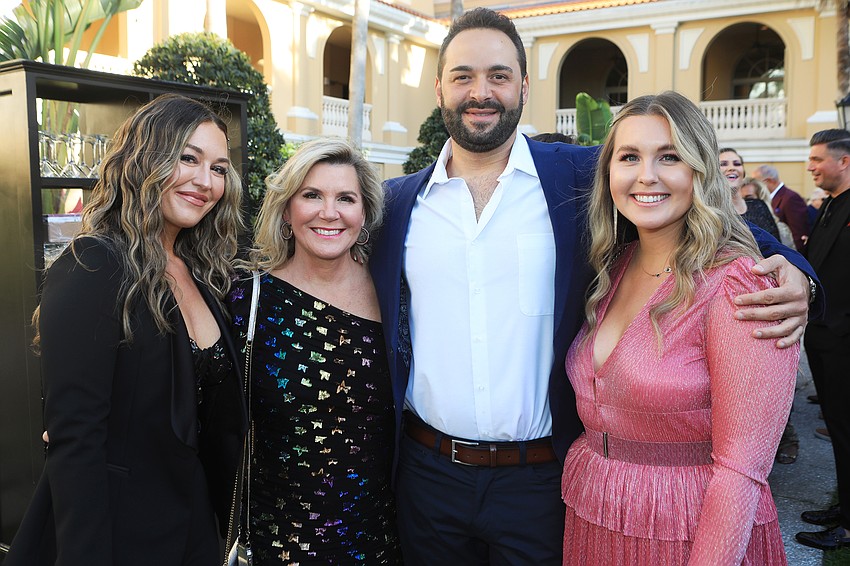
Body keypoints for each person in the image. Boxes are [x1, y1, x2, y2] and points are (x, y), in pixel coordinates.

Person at [369, 7, 820, 564]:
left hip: (540, 479)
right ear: (439, 87)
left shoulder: (580, 176)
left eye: (499, 76)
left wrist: (799, 273)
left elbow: (695, 209)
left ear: (524, 86)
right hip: (426, 476)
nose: (480, 92)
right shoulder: (394, 205)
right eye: (463, 76)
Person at [5, 94, 247, 566]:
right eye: (188, 158)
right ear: (144, 160)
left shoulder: (203, 271)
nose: (206, 181)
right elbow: (75, 441)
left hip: (193, 529)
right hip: (117, 534)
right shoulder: (94, 265)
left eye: (219, 168)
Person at [561, 91, 799, 564]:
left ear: (700, 169)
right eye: (629, 157)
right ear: (609, 172)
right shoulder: (613, 267)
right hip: (594, 515)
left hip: (691, 528)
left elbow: (741, 470)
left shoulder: (738, 285)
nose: (646, 175)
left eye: (669, 156)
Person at [227, 138, 402, 564]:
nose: (329, 212)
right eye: (312, 196)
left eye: (346, 198)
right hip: (279, 542)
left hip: (380, 540)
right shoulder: (246, 303)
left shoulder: (397, 297)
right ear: (287, 210)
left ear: (364, 214)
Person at [795, 129, 850, 551]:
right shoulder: (831, 205)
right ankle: (844, 507)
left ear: (844, 160)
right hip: (825, 340)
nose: (810, 166)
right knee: (837, 426)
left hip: (843, 340)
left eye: (817, 159)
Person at [719, 148, 780, 240]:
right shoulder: (710, 210)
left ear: (743, 172)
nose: (732, 168)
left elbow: (776, 243)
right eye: (723, 164)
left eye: (737, 164)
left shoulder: (759, 206)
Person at [753, 164, 810, 251]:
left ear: (768, 181)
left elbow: (798, 234)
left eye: (757, 184)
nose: (755, 188)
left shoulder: (790, 198)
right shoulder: (772, 198)